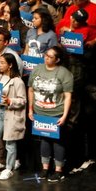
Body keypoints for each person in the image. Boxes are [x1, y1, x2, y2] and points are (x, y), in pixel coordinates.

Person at [28, 45, 74, 181]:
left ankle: (58, 170)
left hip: (56, 113)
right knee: (45, 139)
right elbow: (30, 89)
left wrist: (65, 115)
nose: (46, 58)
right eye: (46, 55)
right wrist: (30, 109)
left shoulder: (64, 73)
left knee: (57, 141)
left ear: (57, 60)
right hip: (40, 112)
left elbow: (68, 96)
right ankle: (45, 168)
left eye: (50, 57)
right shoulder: (37, 69)